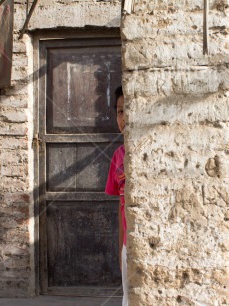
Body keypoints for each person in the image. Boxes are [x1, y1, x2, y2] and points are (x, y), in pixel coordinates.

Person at [105, 85, 128, 306]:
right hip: (128, 244)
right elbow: (120, 206)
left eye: (129, 110)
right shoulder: (118, 155)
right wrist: (121, 247)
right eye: (120, 111)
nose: (124, 117)